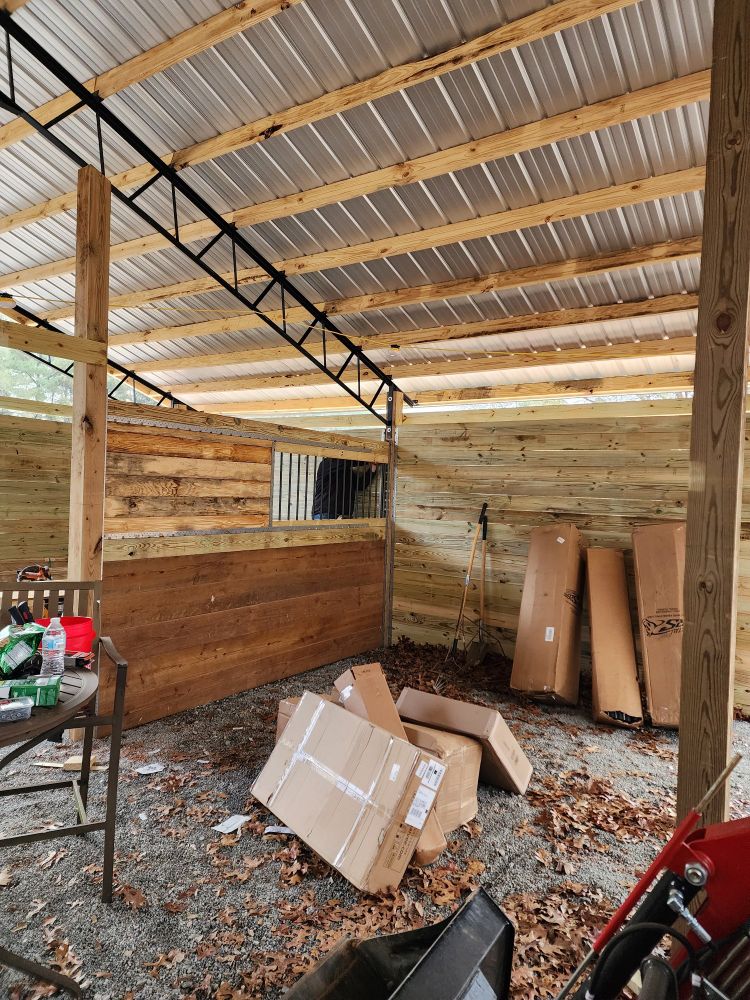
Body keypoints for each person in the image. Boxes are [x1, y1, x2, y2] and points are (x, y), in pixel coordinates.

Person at [312, 458, 377, 519]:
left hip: (343, 515)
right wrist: (371, 459)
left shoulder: (347, 471)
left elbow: (361, 485)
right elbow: (348, 462)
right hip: (325, 513)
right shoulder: (327, 463)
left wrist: (373, 467)